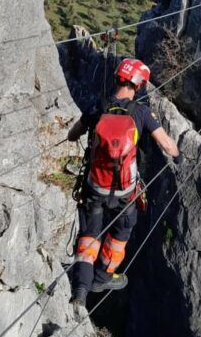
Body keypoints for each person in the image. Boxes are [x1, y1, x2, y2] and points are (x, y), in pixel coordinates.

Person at [67, 58, 180, 307]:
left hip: (95, 187)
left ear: (118, 78)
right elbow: (167, 145)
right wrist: (179, 153)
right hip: (125, 192)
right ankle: (102, 277)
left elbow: (72, 134)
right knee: (121, 232)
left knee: (89, 235)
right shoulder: (140, 112)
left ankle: (80, 292)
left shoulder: (99, 106)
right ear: (138, 86)